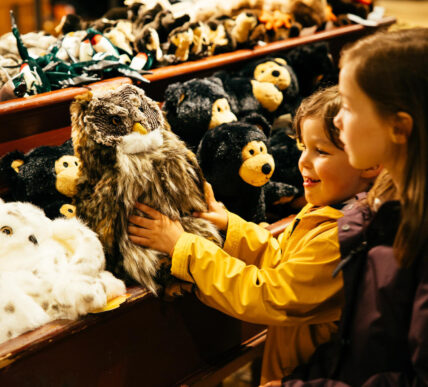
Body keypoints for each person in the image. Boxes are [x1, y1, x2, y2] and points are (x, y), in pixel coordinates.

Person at [127, 86, 379, 384]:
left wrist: (184, 247)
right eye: (302, 147)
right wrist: (230, 226)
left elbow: (268, 295)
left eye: (321, 151)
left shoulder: (345, 235)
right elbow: (283, 260)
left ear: (371, 161)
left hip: (310, 375)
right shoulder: (331, 207)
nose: (303, 162)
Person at [261, 27, 428, 386]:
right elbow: (360, 347)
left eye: (350, 107)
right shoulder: (379, 209)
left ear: (398, 128)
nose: (337, 120)